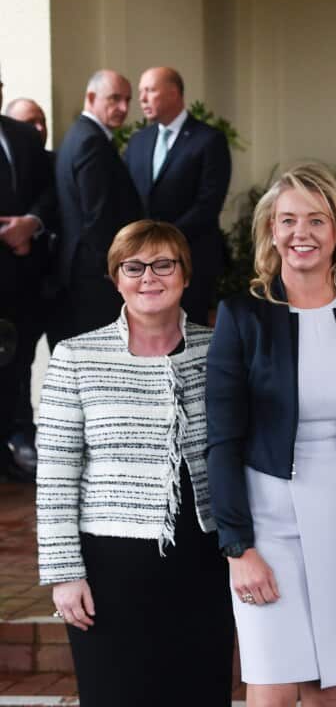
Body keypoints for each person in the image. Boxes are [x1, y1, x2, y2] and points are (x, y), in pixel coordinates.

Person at [205, 163, 336, 705]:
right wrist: (237, 546)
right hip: (269, 524)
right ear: (272, 230)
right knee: (270, 677)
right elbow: (220, 440)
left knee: (330, 686)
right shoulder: (243, 316)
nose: (302, 233)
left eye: (316, 220)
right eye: (288, 220)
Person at [36, 220, 234, 706]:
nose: (149, 277)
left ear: (185, 275)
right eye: (134, 267)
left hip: (204, 559)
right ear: (116, 278)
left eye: (164, 264)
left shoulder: (221, 350)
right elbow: (56, 476)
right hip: (110, 566)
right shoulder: (76, 356)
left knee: (200, 692)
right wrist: (65, 573)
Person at [123, 67, 232, 326]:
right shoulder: (138, 141)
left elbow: (208, 203)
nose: (142, 99)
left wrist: (163, 242)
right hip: (142, 262)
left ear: (173, 93)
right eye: (140, 93)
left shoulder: (209, 139)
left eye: (150, 90)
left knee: (187, 331)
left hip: (190, 258)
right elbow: (127, 198)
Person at [50, 69, 143, 348]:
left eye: (127, 100)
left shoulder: (81, 134)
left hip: (85, 271)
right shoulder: (91, 140)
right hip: (96, 275)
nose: (124, 108)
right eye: (114, 99)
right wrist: (114, 269)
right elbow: (98, 216)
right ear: (91, 97)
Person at [0, 81, 56, 482]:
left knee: (15, 370)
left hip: (24, 283)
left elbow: (49, 190)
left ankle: (8, 454)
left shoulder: (21, 135)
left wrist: (30, 225)